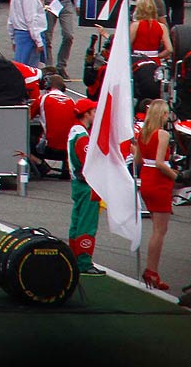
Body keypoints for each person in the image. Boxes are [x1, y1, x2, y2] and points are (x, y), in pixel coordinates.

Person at [134, 99, 177, 290]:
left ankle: (152, 270)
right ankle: (152, 270)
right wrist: (175, 175)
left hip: (147, 180)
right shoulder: (162, 134)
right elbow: (160, 162)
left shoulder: (142, 133)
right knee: (160, 231)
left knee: (157, 228)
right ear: (163, 115)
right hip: (159, 181)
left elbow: (138, 159)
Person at [63, 100, 106, 274]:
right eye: (94, 111)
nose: (96, 114)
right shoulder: (82, 136)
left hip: (78, 184)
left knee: (77, 221)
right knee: (87, 224)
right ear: (86, 113)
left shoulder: (75, 132)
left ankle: (74, 256)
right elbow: (89, 163)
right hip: (87, 185)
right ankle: (84, 262)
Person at [7, 0, 46, 68]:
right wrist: (39, 42)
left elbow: (11, 16)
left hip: (19, 34)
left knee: (19, 67)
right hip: (29, 36)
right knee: (32, 70)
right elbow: (31, 19)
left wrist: (13, 38)